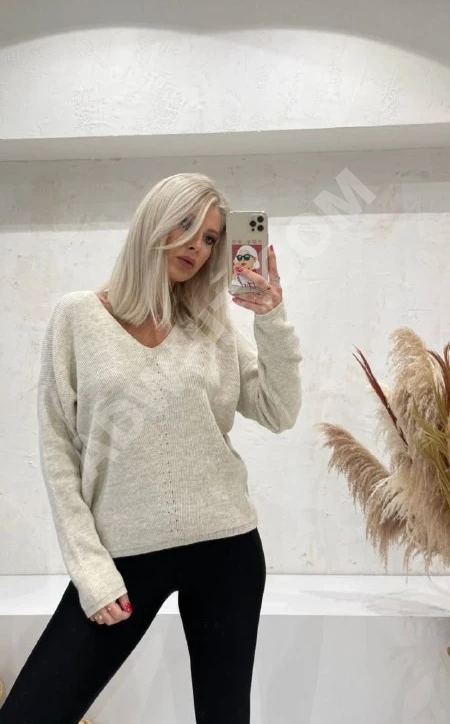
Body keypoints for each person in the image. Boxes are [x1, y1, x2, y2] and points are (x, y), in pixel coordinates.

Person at [0, 173, 302, 724]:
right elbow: (58, 451)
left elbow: (278, 410)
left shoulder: (210, 326)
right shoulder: (77, 317)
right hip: (124, 555)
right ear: (152, 220)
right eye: (186, 224)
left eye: (210, 237)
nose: (197, 245)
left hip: (227, 548)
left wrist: (270, 318)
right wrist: (90, 570)